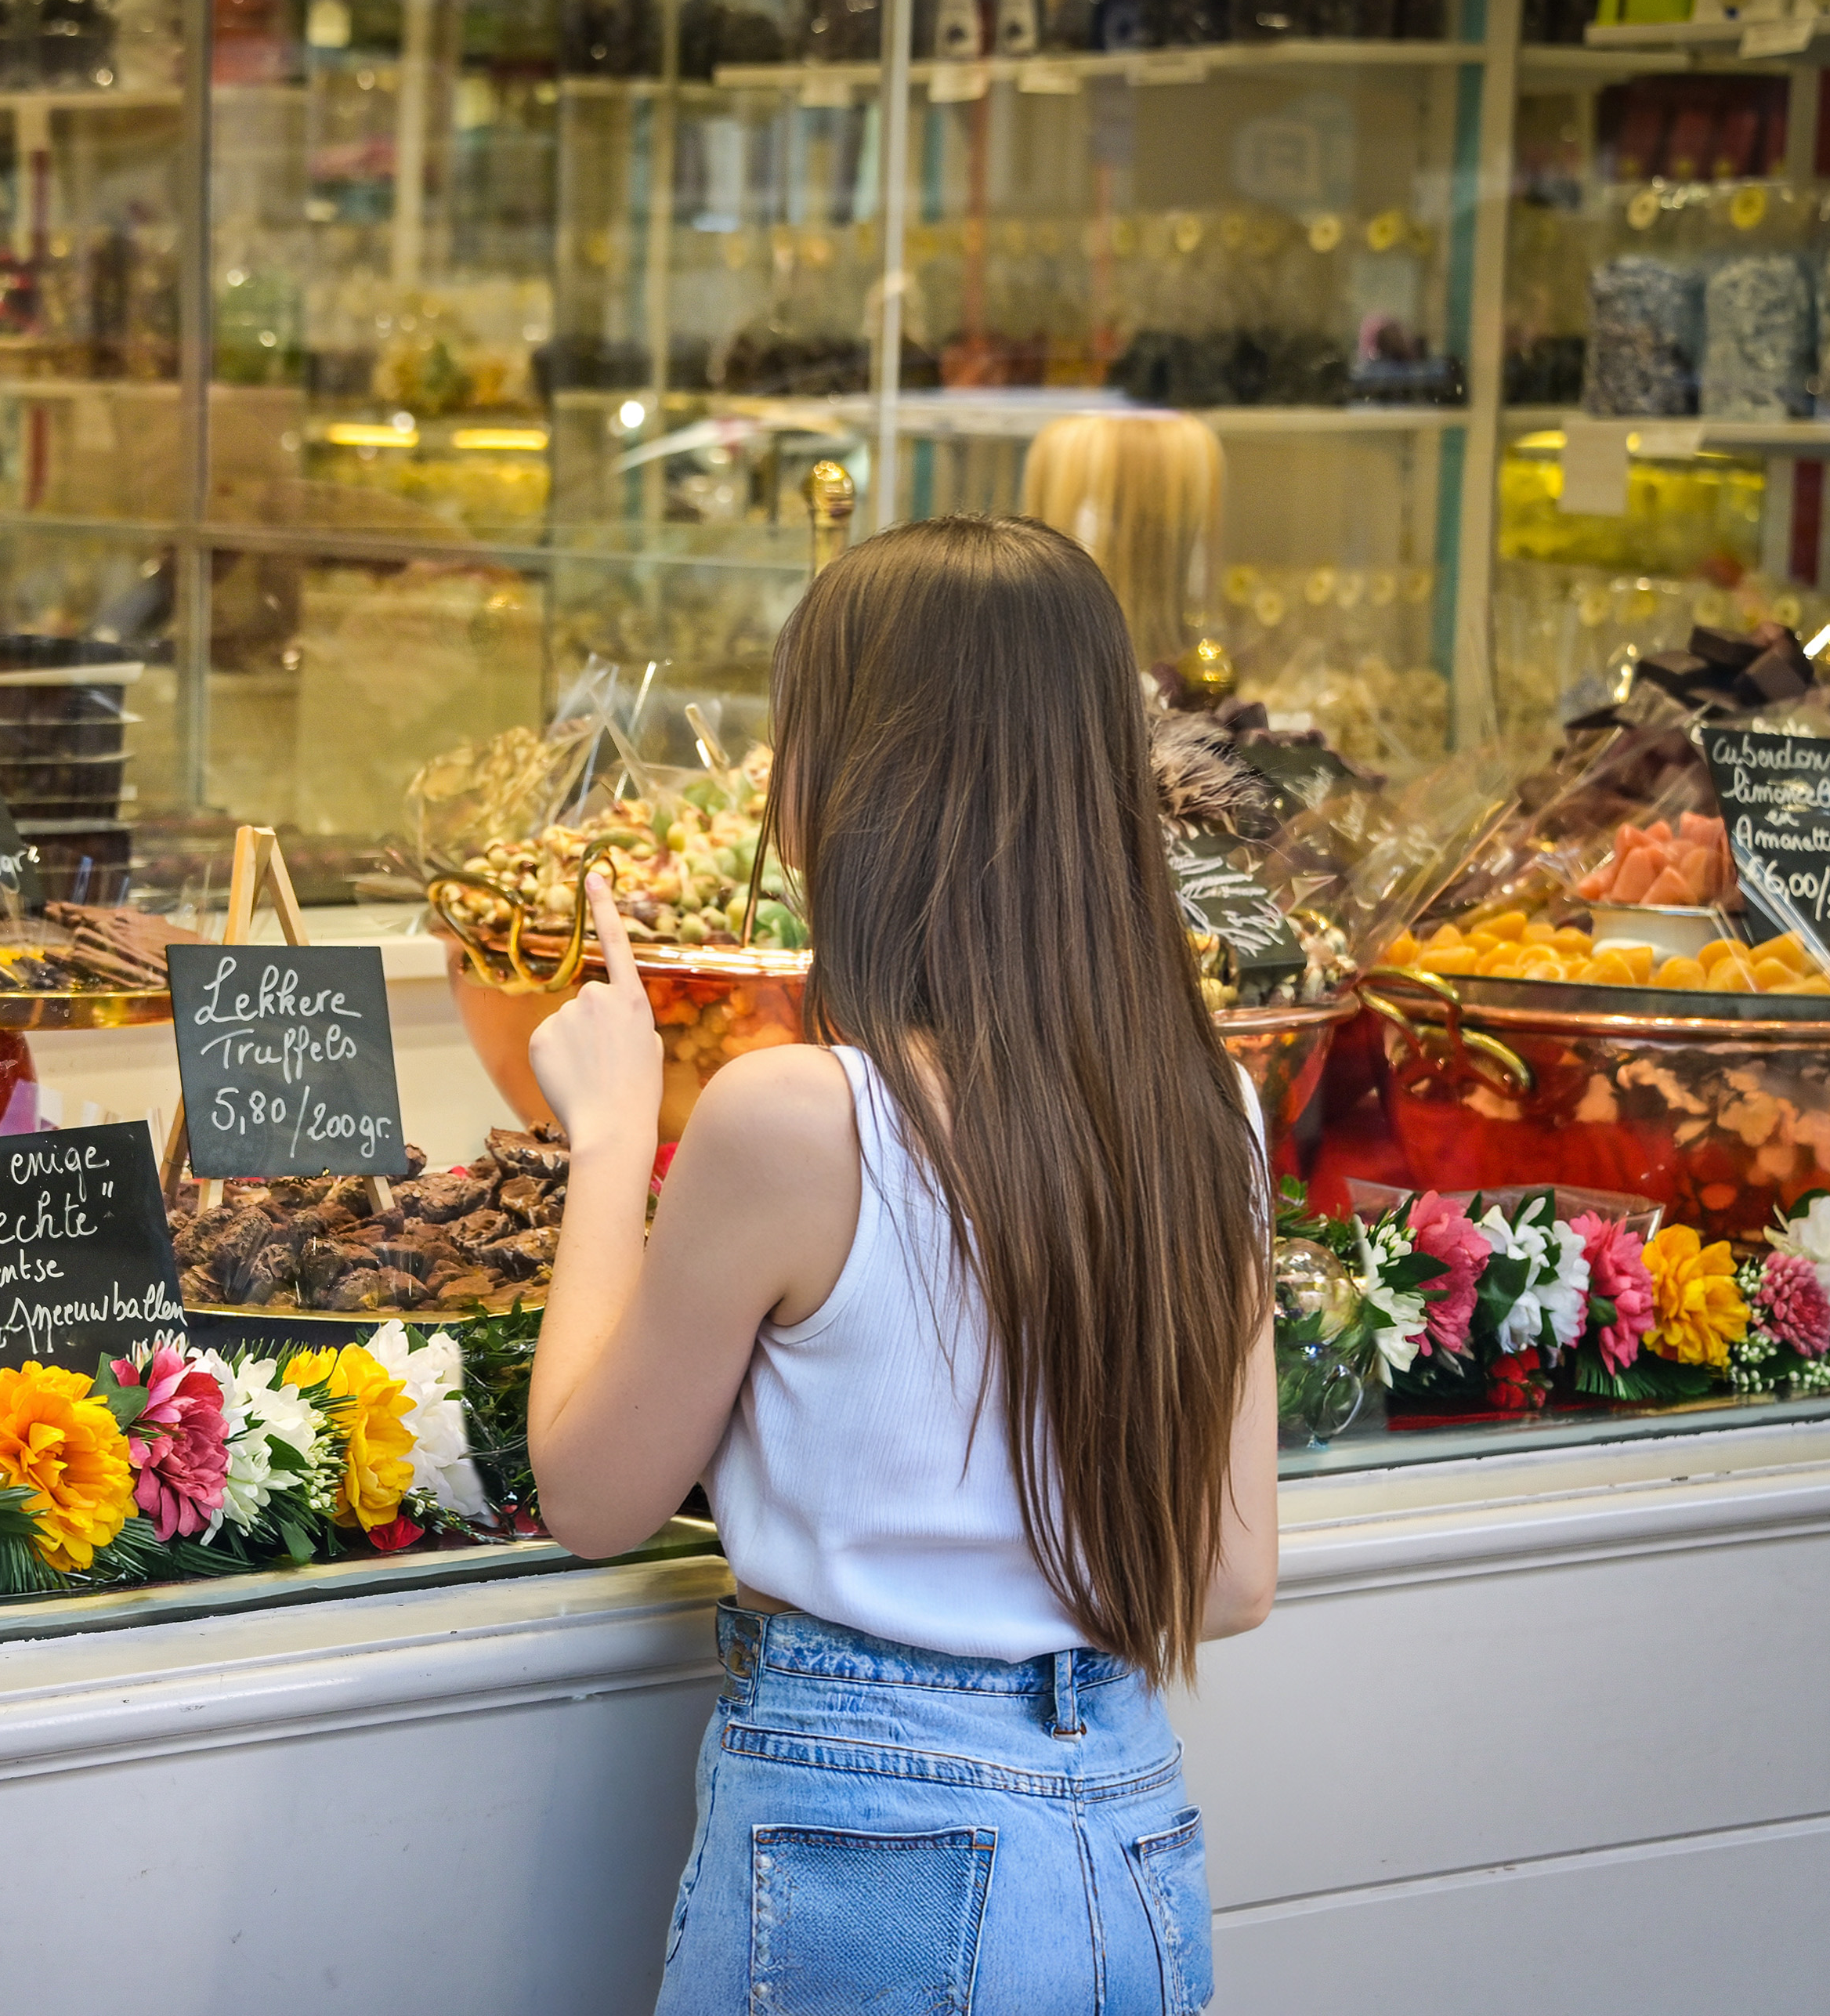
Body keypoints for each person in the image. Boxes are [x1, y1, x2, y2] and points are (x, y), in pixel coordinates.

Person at [525, 514, 1278, 2015]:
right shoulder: (1212, 1109)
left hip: (874, 1846)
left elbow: (594, 1496)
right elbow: (1229, 1577)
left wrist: (610, 1134)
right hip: (1131, 1849)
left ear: (848, 779)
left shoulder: (798, 1118)